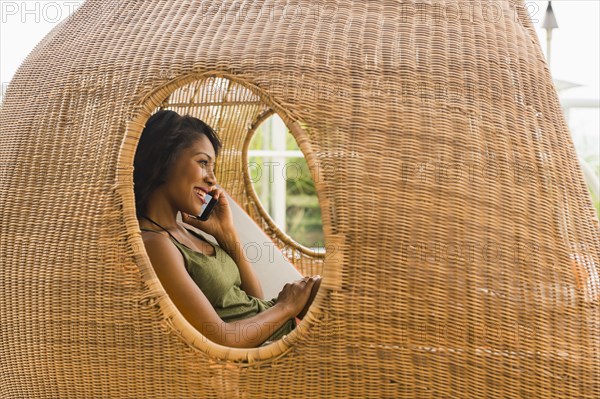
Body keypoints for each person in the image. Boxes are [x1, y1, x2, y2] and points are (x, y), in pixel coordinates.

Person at [133, 110, 321, 348]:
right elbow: (220, 338)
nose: (212, 179)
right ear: (163, 160)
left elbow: (254, 299)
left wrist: (227, 234)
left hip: (279, 325)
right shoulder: (156, 245)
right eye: (203, 163)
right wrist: (286, 307)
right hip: (271, 346)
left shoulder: (185, 231)